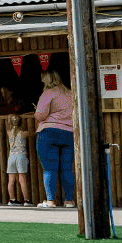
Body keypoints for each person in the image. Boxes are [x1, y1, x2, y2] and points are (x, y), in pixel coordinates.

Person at [33, 70, 76, 209]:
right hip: (69, 132)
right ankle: (69, 201)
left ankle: (50, 201)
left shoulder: (48, 94)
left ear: (47, 81)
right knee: (67, 169)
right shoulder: (70, 93)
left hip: (49, 132)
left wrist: (36, 112)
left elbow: (40, 115)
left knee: (49, 169)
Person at [5, 115, 33, 206]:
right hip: (21, 156)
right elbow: (35, 132)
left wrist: (10, 118)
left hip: (11, 156)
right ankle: (26, 200)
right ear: (21, 123)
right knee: (22, 179)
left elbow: (8, 124)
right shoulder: (24, 133)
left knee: (11, 180)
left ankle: (12, 199)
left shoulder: (9, 132)